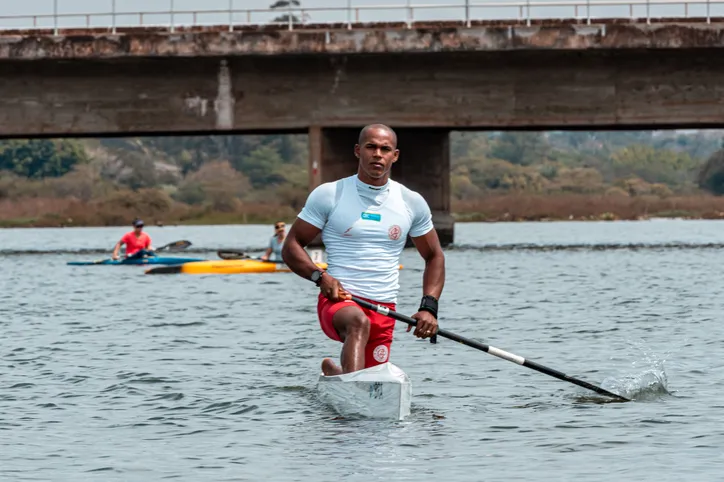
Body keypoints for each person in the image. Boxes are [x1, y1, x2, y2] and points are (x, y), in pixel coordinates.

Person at [282, 123, 445, 376]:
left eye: (385, 149)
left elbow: (434, 256)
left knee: (372, 377)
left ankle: (336, 374)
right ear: (358, 151)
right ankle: (351, 392)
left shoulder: (411, 202)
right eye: (371, 147)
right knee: (357, 323)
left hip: (384, 308)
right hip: (339, 301)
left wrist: (428, 308)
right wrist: (319, 276)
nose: (377, 154)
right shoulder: (329, 194)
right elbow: (291, 245)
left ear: (395, 155)